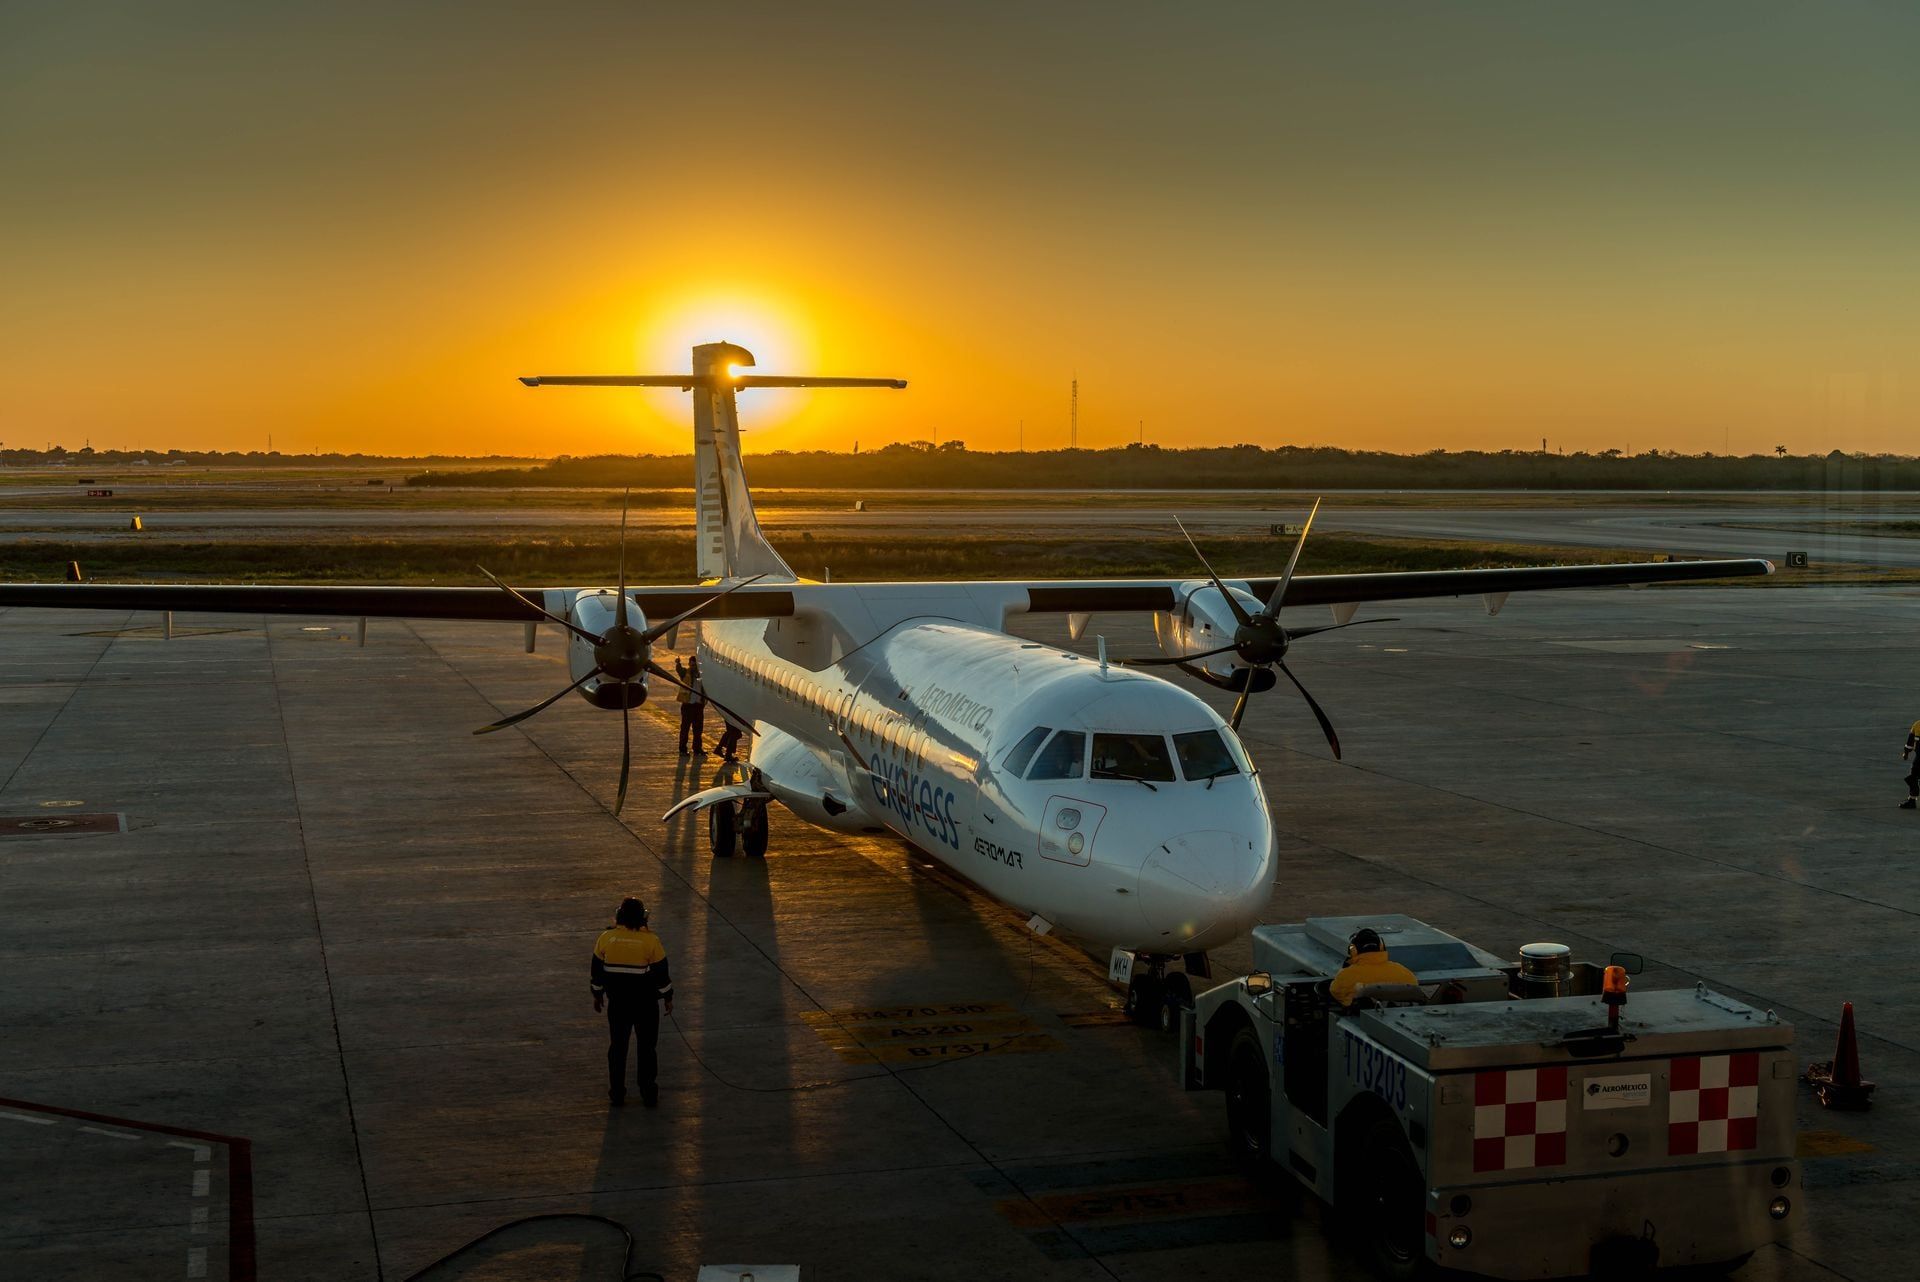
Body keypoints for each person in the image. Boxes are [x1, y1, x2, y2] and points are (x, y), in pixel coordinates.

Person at [591, 896, 674, 1106]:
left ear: (619, 916)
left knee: (618, 1048)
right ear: (643, 918)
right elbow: (661, 975)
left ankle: (617, 1093)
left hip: (618, 1005)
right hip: (645, 1006)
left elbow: (596, 972)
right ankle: (648, 1092)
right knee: (647, 1048)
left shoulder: (606, 938)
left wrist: (597, 995)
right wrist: (668, 998)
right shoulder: (651, 941)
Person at [1329, 927, 1419, 1007]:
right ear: (1382, 947)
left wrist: (1345, 970)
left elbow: (1335, 992)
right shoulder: (1406, 973)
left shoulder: (1346, 976)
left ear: (1353, 950)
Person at [675, 656, 706, 756]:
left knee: (698, 730)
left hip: (698, 706)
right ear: (689, 664)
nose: (693, 667)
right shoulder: (686, 673)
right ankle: (682, 749)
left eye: (695, 665)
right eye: (692, 665)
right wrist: (678, 663)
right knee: (685, 729)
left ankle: (697, 748)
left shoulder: (703, 675)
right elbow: (679, 670)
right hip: (688, 706)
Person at [1903, 718, 1920, 809]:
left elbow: (1909, 742)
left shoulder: (1917, 725)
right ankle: (1912, 800)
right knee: (1913, 778)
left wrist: (1906, 753)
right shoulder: (1917, 725)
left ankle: (1912, 801)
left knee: (1913, 777)